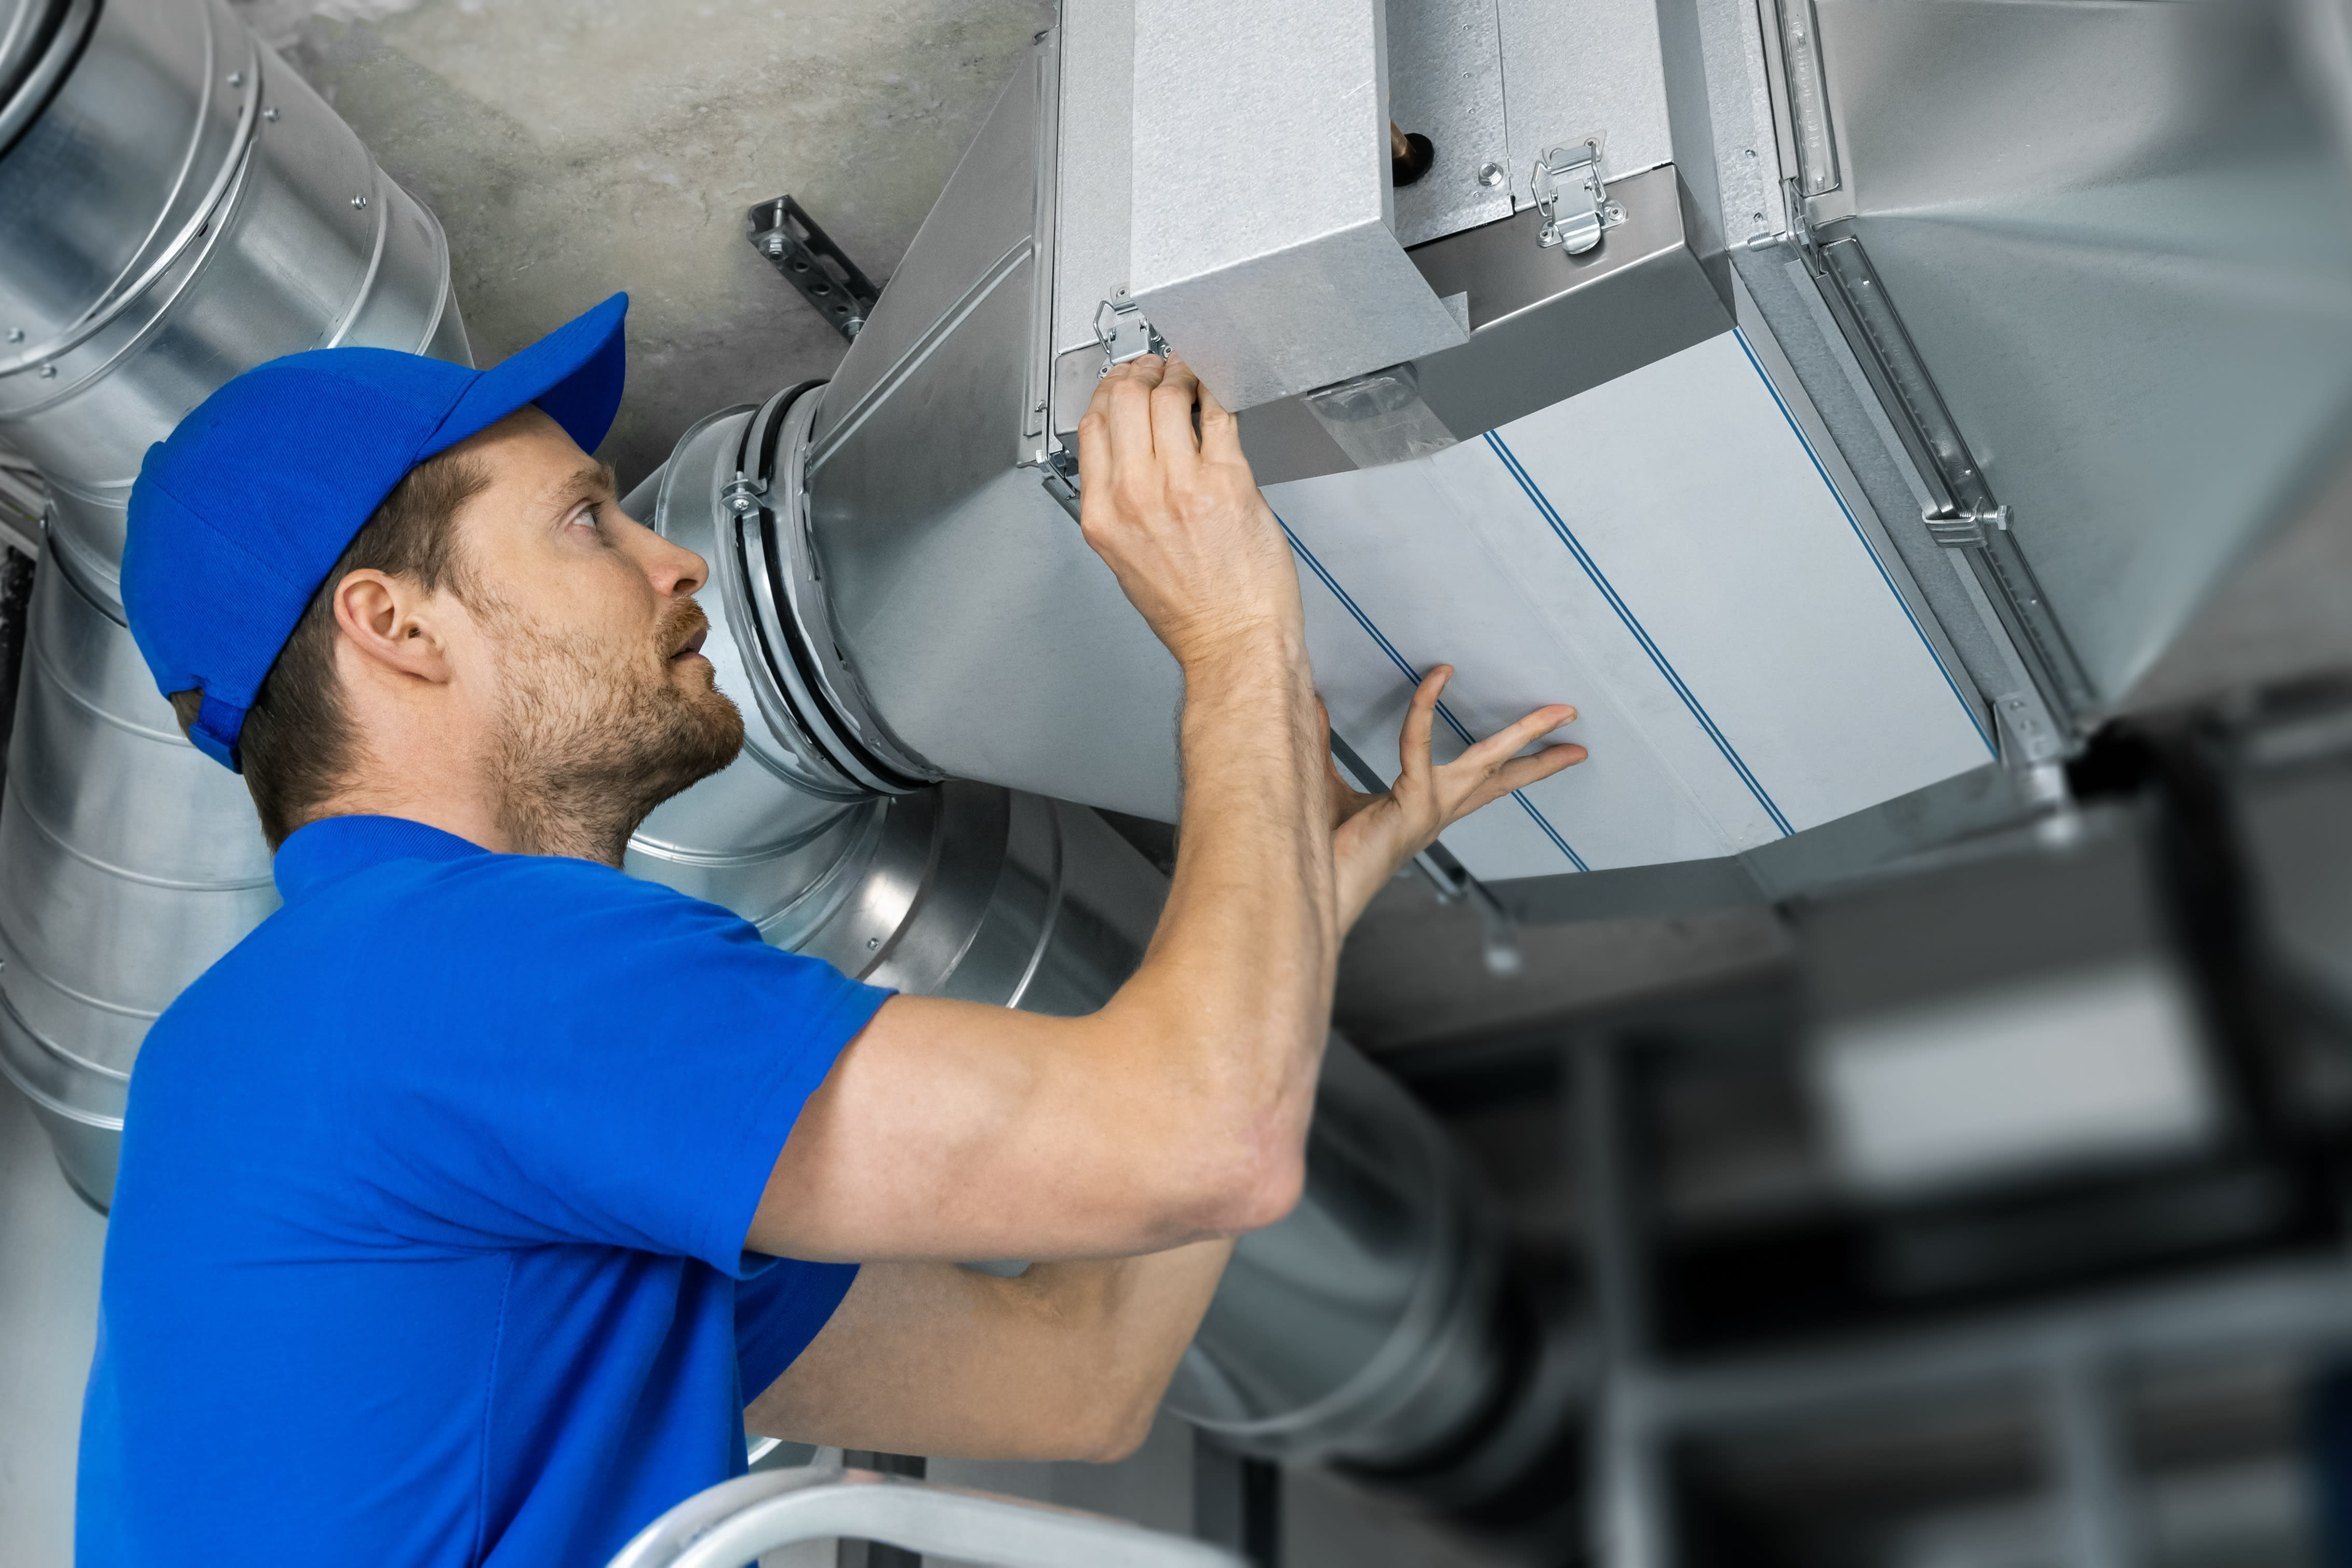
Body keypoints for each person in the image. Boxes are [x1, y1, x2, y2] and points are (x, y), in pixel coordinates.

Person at [80, 293, 1584, 1564]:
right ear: (395, 627)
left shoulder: (321, 1049)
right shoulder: (446, 977)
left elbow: (1082, 1376)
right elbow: (1210, 1147)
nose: (672, 561)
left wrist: (1301, 898)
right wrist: (1237, 635)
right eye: (585, 520)